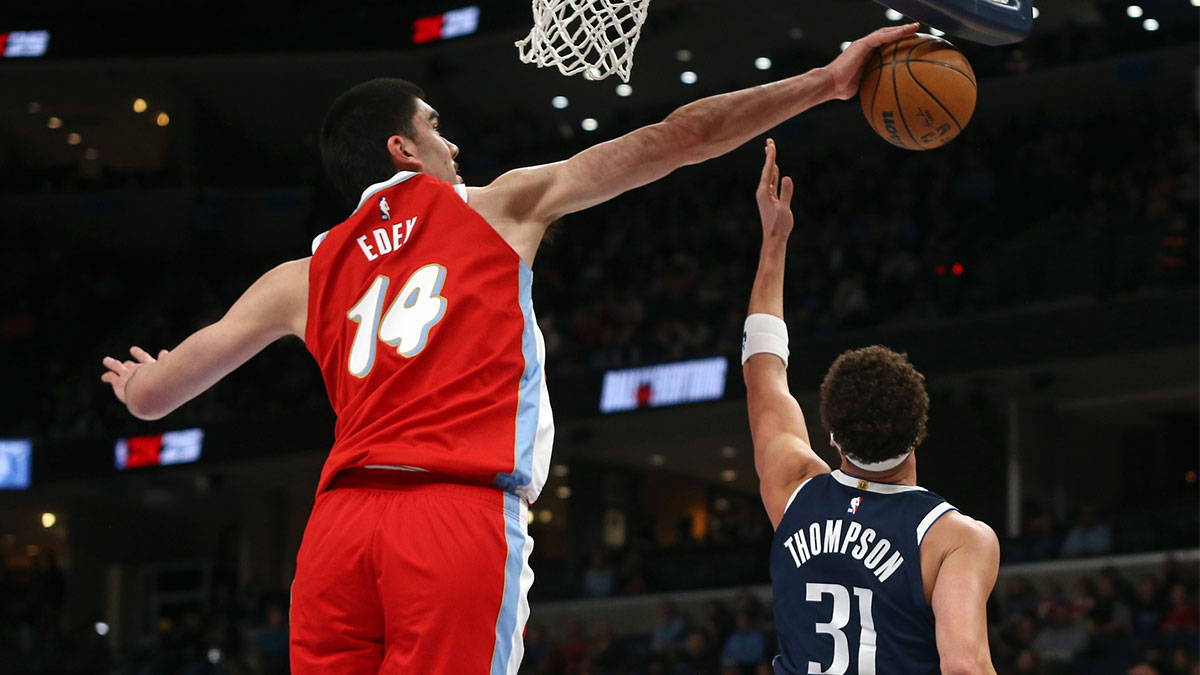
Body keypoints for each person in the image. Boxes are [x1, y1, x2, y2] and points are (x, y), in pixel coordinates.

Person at [99, 23, 919, 674]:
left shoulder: (303, 276)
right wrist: (826, 81)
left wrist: (137, 382)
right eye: (436, 128)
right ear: (402, 149)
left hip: (336, 533)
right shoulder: (495, 207)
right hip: (452, 516)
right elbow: (681, 136)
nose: (453, 146)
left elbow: (156, 398)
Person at [742, 141, 999, 673]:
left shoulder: (792, 489)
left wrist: (775, 241)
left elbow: (763, 372)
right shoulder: (955, 539)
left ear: (831, 434)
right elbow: (965, 666)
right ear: (918, 432)